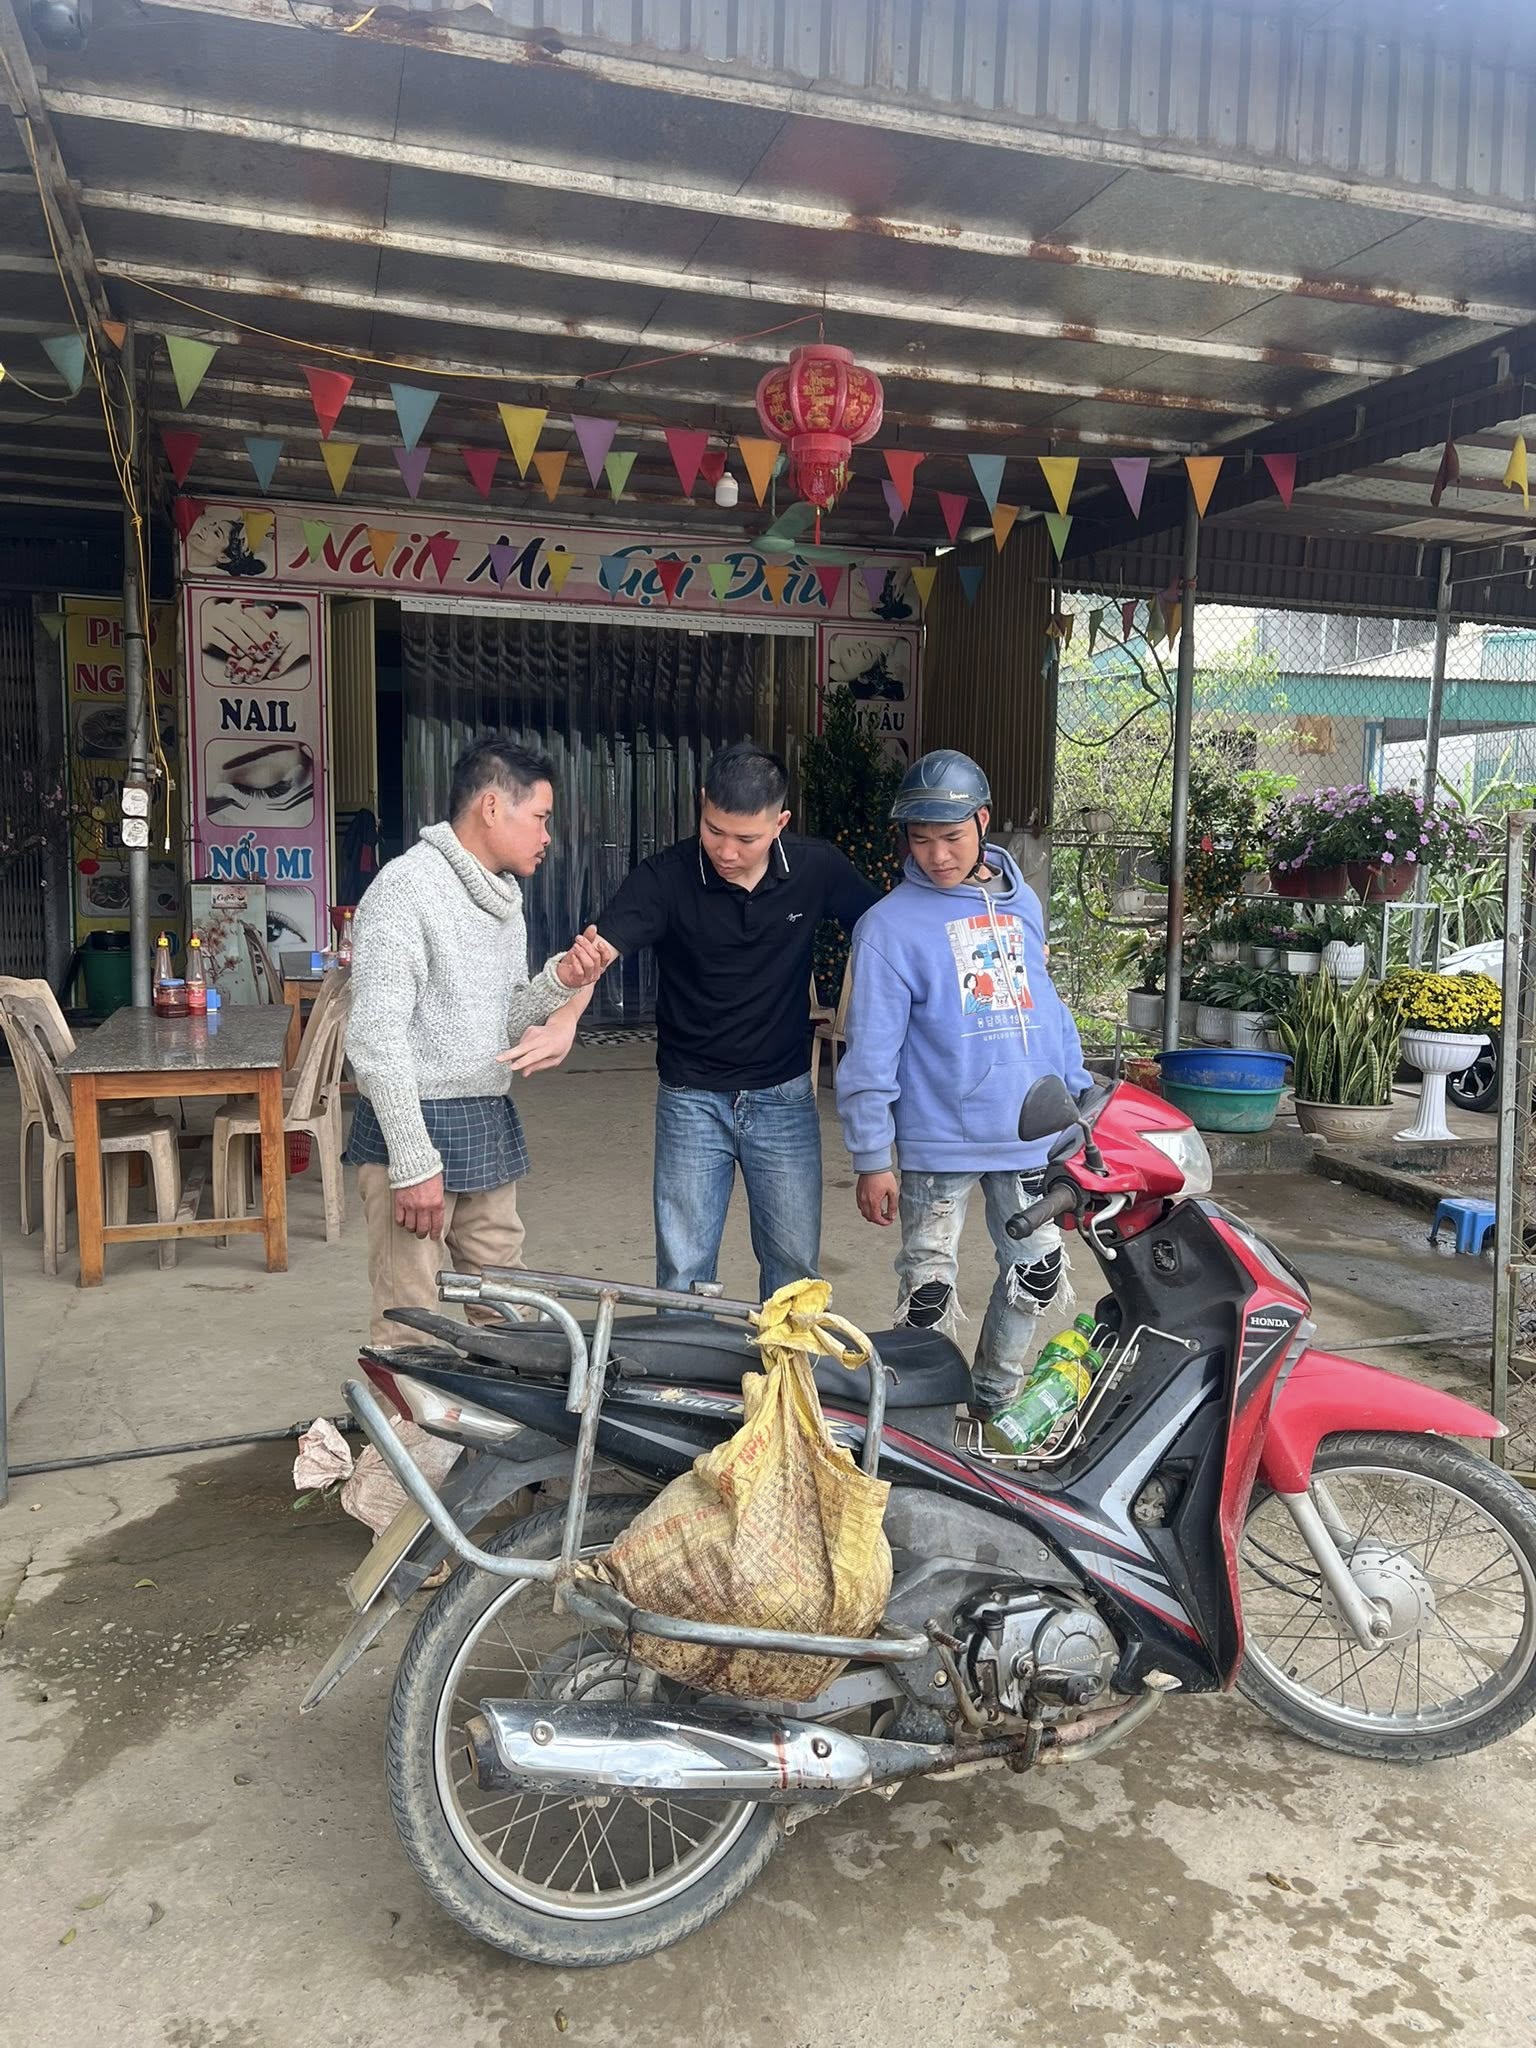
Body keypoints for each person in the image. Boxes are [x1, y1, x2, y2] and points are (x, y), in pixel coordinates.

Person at [551, 741, 878, 1299]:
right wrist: (566, 1016)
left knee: (794, 1270)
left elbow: (890, 929)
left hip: (783, 1097)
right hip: (691, 1100)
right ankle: (686, 1359)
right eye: (713, 830)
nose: (726, 851)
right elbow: (598, 952)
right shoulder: (665, 877)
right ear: (702, 804)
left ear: (780, 824)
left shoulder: (816, 868)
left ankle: (786, 1360)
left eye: (746, 839)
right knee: (683, 1271)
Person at [834, 749, 1093, 1414]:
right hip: (938, 1143)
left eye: (950, 837)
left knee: (1037, 1272)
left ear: (982, 821)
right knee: (928, 1292)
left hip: (1030, 1131)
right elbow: (871, 1050)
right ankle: (920, 1417)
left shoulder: (1023, 903)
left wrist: (1078, 1098)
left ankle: (995, 1399)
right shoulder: (887, 927)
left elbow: (1047, 1008)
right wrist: (872, 1156)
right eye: (920, 840)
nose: (937, 855)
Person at [344, 738, 599, 1344]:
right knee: (412, 1320)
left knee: (510, 1310)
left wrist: (558, 982)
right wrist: (413, 1162)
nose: (547, 836)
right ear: (491, 807)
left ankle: (499, 1411)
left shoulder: (503, 898)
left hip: (484, 1124)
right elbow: (376, 1037)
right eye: (540, 818)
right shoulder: (405, 889)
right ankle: (407, 1412)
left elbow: (502, 1024)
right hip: (414, 1128)